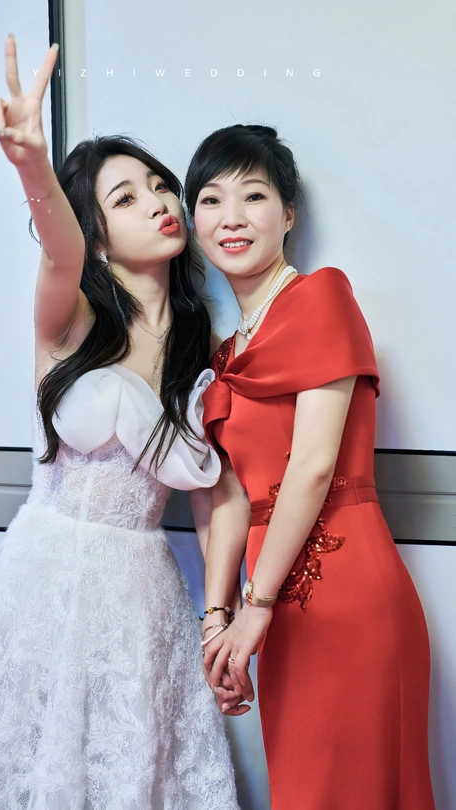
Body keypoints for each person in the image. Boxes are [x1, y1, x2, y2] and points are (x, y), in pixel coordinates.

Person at [0, 38, 239, 810]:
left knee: (136, 774)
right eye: (126, 197)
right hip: (49, 582)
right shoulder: (70, 318)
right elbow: (59, 253)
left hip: (142, 590)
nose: (160, 201)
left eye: (159, 185)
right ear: (96, 233)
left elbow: (212, 494)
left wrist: (221, 616)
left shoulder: (201, 340)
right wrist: (34, 167)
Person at [184, 123, 436, 809]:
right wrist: (218, 622)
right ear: (194, 222)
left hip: (348, 591)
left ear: (288, 215)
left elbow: (314, 467)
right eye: (211, 200)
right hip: (272, 610)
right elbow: (230, 496)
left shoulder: (322, 297)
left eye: (254, 196)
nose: (232, 217)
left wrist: (254, 609)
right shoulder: (223, 353)